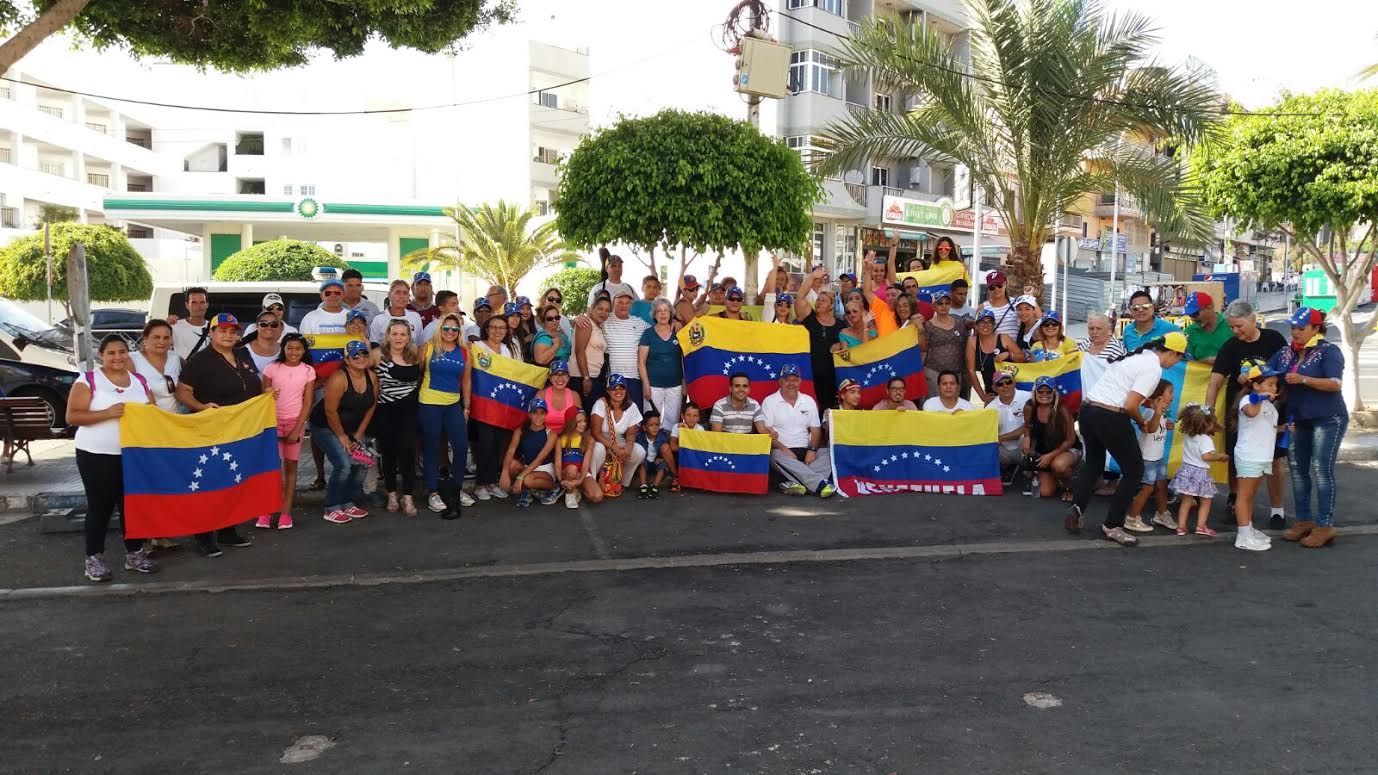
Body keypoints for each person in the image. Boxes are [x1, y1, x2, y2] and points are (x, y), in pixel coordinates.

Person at [1066, 332, 1188, 546]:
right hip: (1110, 416)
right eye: (1179, 357)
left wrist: (1144, 406)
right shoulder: (1153, 368)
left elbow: (1124, 392)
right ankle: (1113, 525)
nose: (1177, 362)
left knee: (1093, 463)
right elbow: (1130, 405)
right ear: (1171, 353)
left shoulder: (1136, 356)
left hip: (1088, 410)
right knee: (1134, 471)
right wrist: (1142, 423)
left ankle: (1077, 508)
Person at [67, 335, 156, 582]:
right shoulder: (88, 380)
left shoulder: (139, 380)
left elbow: (153, 413)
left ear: (129, 354)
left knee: (132, 505)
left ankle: (135, 554)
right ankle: (93, 558)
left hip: (132, 454)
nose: (118, 357)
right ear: (101, 356)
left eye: (122, 352)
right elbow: (72, 416)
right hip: (96, 454)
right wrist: (107, 413)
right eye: (111, 353)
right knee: (100, 507)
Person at [174, 313, 261, 556]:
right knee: (209, 483)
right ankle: (203, 535)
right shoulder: (200, 360)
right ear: (211, 333)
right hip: (210, 431)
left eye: (232, 331)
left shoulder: (243, 354)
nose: (228, 335)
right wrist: (201, 408)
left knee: (233, 480)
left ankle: (227, 529)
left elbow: (252, 384)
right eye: (221, 330)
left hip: (240, 430)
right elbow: (183, 391)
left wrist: (265, 398)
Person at [1267, 307, 1348, 548]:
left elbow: (1335, 384)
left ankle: (1325, 525)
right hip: (1298, 418)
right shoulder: (1285, 353)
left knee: (1322, 470)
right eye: (1293, 327)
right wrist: (1250, 372)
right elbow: (1267, 370)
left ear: (1316, 328)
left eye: (1301, 328)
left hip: (1328, 418)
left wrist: (1303, 379)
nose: (1295, 332)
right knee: (1298, 470)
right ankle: (1303, 521)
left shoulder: (1329, 352)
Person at [1205, 300, 1289, 527]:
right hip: (1241, 411)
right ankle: (1236, 497)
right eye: (1231, 327)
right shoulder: (1230, 346)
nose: (1235, 331)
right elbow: (1214, 382)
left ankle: (1277, 510)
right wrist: (1208, 413)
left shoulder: (1274, 340)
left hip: (1273, 410)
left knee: (1275, 458)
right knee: (1236, 455)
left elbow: (1286, 371)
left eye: (1239, 326)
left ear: (1253, 320)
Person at [310, 340, 378, 524]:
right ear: (347, 360)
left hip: (352, 428)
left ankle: (348, 502)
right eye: (355, 355)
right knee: (344, 464)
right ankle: (331, 506)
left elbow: (371, 406)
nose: (360, 358)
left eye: (364, 354)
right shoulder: (338, 378)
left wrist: (358, 436)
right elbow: (330, 411)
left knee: (363, 462)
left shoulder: (371, 376)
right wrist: (343, 438)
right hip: (325, 426)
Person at [418, 313, 474, 514]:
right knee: (432, 447)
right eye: (446, 328)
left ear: (460, 331)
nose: (450, 332)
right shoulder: (428, 347)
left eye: (455, 329)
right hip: (429, 403)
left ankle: (456, 489)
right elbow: (418, 373)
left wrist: (466, 407)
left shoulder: (465, 352)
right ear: (439, 328)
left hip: (453, 404)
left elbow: (466, 382)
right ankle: (433, 491)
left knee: (460, 447)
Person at [259, 334, 315, 529]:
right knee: (270, 469)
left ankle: (285, 512)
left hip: (294, 424)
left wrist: (298, 429)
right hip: (271, 423)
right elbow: (263, 396)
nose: (294, 352)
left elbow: (307, 402)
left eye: (298, 349)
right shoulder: (271, 368)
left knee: (291, 468)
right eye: (289, 348)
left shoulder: (308, 371)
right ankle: (264, 511)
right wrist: (267, 393)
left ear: (304, 351)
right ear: (283, 348)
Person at [371, 320, 422, 516]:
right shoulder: (378, 355)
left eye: (403, 334)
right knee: (389, 453)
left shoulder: (416, 354)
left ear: (409, 337)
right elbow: (357, 368)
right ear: (388, 336)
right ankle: (392, 493)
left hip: (409, 411)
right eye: (395, 334)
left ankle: (407, 496)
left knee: (408, 454)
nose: (398, 338)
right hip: (386, 411)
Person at [762, 364, 836, 498]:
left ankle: (792, 481)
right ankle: (819, 484)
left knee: (829, 452)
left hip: (806, 450)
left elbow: (815, 429)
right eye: (787, 380)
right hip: (783, 452)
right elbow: (767, 433)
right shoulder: (769, 401)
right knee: (773, 456)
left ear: (800, 381)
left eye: (795, 380)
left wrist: (812, 450)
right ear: (780, 381)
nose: (791, 383)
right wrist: (784, 450)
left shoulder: (808, 400)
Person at [1233, 366, 1282, 551]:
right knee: (1244, 496)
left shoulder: (1269, 404)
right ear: (1255, 385)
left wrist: (1285, 428)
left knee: (1250, 495)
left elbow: (1268, 427)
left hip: (1263, 456)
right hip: (1249, 455)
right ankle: (1243, 536)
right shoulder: (1248, 399)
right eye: (1270, 384)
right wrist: (1263, 397)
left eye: (1275, 385)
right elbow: (1251, 412)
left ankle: (1249, 528)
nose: (1274, 388)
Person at [1169, 404, 1229, 538]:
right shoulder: (1205, 439)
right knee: (1206, 500)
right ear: (1206, 424)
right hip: (1199, 473)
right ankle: (1201, 526)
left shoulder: (1189, 436)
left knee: (1187, 500)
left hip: (1186, 470)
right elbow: (1206, 456)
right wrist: (1219, 456)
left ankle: (1181, 527)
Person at [1124, 380, 1175, 533]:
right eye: (1170, 392)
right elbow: (1150, 429)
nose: (1172, 396)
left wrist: (1166, 422)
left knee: (1162, 486)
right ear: (1158, 396)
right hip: (1148, 459)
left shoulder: (1161, 413)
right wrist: (1158, 413)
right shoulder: (1148, 412)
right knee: (1147, 488)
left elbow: (1159, 426)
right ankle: (1132, 518)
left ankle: (1162, 513)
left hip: (1158, 456)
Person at [1019, 375, 1082, 498]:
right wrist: (1026, 438)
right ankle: (1056, 477)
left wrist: (1050, 456)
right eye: (1040, 391)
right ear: (1035, 392)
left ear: (1054, 392)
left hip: (1067, 449)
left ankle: (1070, 485)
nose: (1044, 394)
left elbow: (1070, 440)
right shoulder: (1029, 407)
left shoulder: (1062, 410)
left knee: (1059, 465)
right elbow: (1027, 426)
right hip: (1044, 450)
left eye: (1048, 391)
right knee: (1045, 492)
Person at [794, 269, 845, 408]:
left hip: (833, 379)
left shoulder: (841, 325)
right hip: (810, 377)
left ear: (831, 305)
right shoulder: (809, 318)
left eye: (823, 300)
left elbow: (850, 347)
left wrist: (840, 347)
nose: (818, 303)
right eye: (818, 300)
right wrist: (812, 277)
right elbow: (800, 298)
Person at [500, 398, 562, 508]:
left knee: (527, 481)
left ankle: (555, 487)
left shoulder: (551, 434)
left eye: (542, 413)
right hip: (528, 467)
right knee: (511, 465)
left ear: (546, 414)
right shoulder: (520, 431)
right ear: (529, 415)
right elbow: (510, 451)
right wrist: (504, 472)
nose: (538, 416)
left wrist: (520, 477)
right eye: (535, 413)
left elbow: (540, 458)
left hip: (545, 470)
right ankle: (527, 491)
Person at [590, 374, 646, 491]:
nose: (618, 391)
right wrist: (613, 447)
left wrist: (629, 447)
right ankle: (593, 481)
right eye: (614, 388)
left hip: (619, 439)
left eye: (621, 388)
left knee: (639, 452)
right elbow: (596, 433)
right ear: (608, 391)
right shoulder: (600, 404)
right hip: (601, 439)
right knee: (598, 449)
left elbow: (631, 434)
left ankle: (621, 481)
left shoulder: (632, 407)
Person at [598, 291, 650, 409]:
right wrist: (579, 319)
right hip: (612, 378)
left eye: (627, 303)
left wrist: (674, 322)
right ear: (613, 303)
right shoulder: (605, 320)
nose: (624, 305)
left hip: (634, 378)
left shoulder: (639, 322)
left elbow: (656, 331)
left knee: (635, 416)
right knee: (613, 414)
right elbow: (591, 320)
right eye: (620, 302)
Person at [638, 298, 684, 427]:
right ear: (654, 314)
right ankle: (651, 447)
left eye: (666, 310)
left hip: (675, 385)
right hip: (653, 386)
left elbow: (685, 358)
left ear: (671, 313)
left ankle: (668, 446)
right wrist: (646, 385)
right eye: (659, 311)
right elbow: (641, 362)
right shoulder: (648, 334)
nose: (663, 314)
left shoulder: (678, 332)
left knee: (672, 422)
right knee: (651, 422)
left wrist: (685, 381)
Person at [967, 309, 1024, 404]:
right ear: (976, 326)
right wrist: (982, 396)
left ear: (994, 325)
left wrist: (1009, 354)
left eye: (990, 322)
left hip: (1012, 390)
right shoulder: (972, 342)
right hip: (992, 392)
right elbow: (971, 370)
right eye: (982, 322)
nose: (986, 325)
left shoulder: (1004, 338)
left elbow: (1023, 358)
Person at [130, 320, 183, 414]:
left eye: (166, 338)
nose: (161, 342)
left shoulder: (176, 358)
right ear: (145, 338)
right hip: (146, 420)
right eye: (156, 337)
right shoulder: (132, 360)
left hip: (174, 421)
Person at [923, 290, 966, 398]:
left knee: (954, 405)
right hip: (934, 372)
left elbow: (965, 345)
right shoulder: (927, 325)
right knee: (934, 405)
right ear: (934, 306)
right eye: (940, 303)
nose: (944, 306)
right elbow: (923, 349)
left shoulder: (960, 323)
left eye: (947, 303)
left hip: (956, 372)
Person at [572, 297, 611, 414]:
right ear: (592, 309)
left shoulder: (598, 326)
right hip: (581, 378)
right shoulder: (586, 323)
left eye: (607, 310)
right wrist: (586, 378)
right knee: (583, 417)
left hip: (593, 378)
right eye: (600, 309)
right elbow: (579, 351)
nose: (604, 313)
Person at [557, 410, 601, 508]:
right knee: (572, 469)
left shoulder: (589, 440)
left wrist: (581, 480)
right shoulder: (561, 439)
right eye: (579, 421)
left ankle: (576, 488)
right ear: (571, 422)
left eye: (584, 421)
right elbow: (558, 463)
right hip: (567, 472)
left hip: (582, 473)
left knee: (597, 496)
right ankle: (569, 494)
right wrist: (560, 480)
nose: (583, 424)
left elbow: (586, 463)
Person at [985, 369, 1029, 467]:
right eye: (1000, 384)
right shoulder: (990, 408)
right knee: (986, 449)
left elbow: (1029, 426)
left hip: (1026, 447)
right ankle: (1006, 470)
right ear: (994, 388)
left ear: (1014, 383)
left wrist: (1002, 438)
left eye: (1008, 382)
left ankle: (1030, 470)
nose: (1005, 386)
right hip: (1004, 451)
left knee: (1025, 437)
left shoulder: (1028, 397)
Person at [634, 410, 674, 499]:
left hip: (656, 462)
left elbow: (664, 450)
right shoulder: (640, 437)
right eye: (651, 425)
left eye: (657, 425)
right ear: (644, 428)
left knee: (662, 466)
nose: (655, 428)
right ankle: (643, 487)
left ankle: (655, 487)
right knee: (642, 464)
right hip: (645, 462)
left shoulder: (662, 436)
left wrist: (660, 457)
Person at [369, 279, 424, 344]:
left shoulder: (415, 317)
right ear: (389, 295)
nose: (401, 296)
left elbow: (420, 344)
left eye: (405, 293)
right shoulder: (378, 320)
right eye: (398, 292)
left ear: (408, 296)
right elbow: (373, 347)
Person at [1182, 291, 1230, 363]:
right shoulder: (1189, 333)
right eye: (1190, 315)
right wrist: (1205, 362)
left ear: (1209, 308)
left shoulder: (1230, 325)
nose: (1192, 319)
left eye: (1195, 314)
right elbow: (1186, 364)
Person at [541, 360, 582, 435]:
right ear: (550, 378)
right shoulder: (542, 394)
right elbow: (535, 422)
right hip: (545, 437)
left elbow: (579, 421)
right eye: (556, 374)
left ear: (568, 377)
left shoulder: (574, 395)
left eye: (563, 374)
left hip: (567, 436)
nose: (560, 378)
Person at [170, 286, 211, 358]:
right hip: (183, 369)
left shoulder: (214, 328)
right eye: (194, 303)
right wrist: (164, 325)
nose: (199, 306)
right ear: (187, 305)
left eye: (202, 302)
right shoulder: (175, 326)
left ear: (207, 305)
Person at [975, 271, 1019, 339]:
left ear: (1005, 284)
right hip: (992, 348)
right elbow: (977, 333)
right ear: (988, 288)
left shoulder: (1017, 303)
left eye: (999, 285)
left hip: (1015, 348)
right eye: (992, 287)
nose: (996, 289)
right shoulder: (982, 307)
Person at [531, 303, 572, 367]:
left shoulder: (561, 335)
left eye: (557, 317)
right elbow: (540, 360)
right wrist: (556, 345)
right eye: (550, 319)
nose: (554, 320)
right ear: (543, 321)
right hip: (551, 375)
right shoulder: (543, 338)